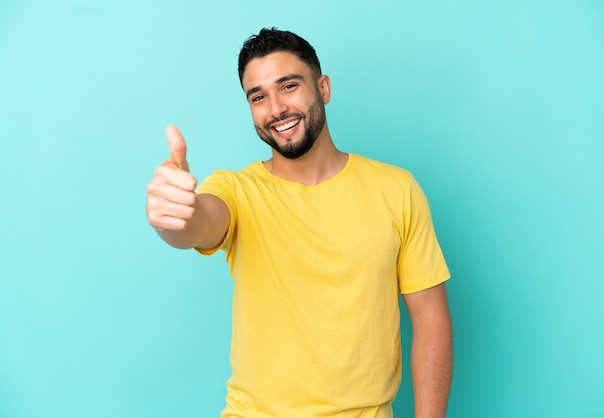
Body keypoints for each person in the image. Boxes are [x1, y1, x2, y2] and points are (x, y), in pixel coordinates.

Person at [146, 28, 452, 418]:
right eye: (258, 97)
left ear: (323, 88)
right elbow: (197, 224)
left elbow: (430, 320)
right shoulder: (235, 190)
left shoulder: (397, 190)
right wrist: (171, 218)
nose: (275, 108)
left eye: (288, 86)